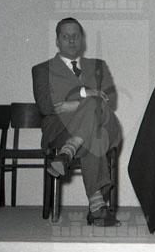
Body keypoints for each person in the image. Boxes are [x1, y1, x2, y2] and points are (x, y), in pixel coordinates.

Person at [32, 18, 121, 227]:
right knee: (95, 134)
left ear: (82, 39)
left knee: (95, 109)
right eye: (65, 36)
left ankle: (69, 150)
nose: (71, 40)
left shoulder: (98, 66)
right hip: (62, 130)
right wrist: (86, 94)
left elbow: (111, 99)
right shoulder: (42, 70)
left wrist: (73, 103)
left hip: (103, 124)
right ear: (57, 41)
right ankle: (97, 206)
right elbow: (46, 105)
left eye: (75, 36)